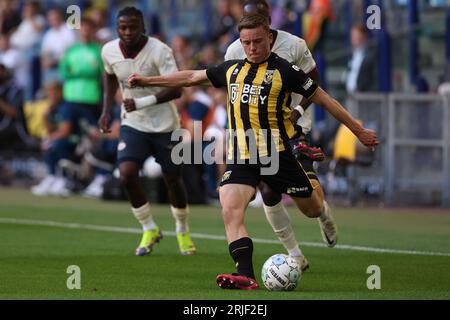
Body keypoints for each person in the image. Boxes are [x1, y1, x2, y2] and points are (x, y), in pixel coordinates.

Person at [128, 14, 379, 289]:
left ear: (269, 38)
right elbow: (189, 76)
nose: (252, 48)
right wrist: (148, 81)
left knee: (312, 208)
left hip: (277, 156)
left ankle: (324, 213)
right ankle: (246, 275)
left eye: (258, 41)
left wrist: (359, 131)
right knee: (230, 210)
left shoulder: (285, 71)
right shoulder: (232, 69)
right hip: (241, 156)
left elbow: (324, 99)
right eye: (246, 42)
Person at [225, 0, 329, 271]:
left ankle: (323, 212)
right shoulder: (234, 51)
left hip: (294, 128)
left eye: (257, 19)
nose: (250, 42)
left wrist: (297, 110)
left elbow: (314, 83)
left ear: (268, 22)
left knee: (311, 206)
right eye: (246, 20)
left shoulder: (294, 45)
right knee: (269, 191)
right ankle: (295, 254)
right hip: (258, 136)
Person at [98, 7, 196, 256]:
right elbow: (110, 76)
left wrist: (142, 101)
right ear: (117, 28)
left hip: (166, 125)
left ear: (143, 27)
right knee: (127, 174)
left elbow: (177, 88)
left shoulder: (160, 50)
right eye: (123, 27)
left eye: (133, 26)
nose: (128, 32)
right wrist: (107, 110)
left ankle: (182, 230)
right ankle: (149, 227)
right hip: (134, 123)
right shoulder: (108, 50)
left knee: (173, 180)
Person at [345, 25, 378, 94]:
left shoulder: (370, 55)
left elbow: (374, 78)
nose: (354, 39)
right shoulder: (352, 55)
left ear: (364, 37)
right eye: (353, 36)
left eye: (357, 36)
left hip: (363, 96)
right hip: (350, 95)